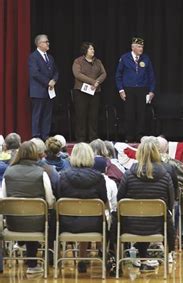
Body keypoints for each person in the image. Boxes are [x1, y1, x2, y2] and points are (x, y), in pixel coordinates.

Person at [117, 139, 175, 272]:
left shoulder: (128, 174)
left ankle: (141, 258)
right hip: (157, 226)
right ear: (156, 153)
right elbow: (171, 204)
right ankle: (147, 258)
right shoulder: (165, 176)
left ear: (139, 153)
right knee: (150, 218)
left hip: (131, 226)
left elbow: (120, 200)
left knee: (138, 218)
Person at [1, 141, 55, 274]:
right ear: (35, 154)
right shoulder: (41, 173)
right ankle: (33, 264)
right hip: (36, 224)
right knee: (38, 218)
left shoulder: (8, 172)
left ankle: (20, 245)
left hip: (13, 223)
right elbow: (50, 201)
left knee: (26, 217)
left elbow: (2, 199)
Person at [57, 143, 108, 273]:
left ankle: (67, 259)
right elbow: (104, 203)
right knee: (101, 218)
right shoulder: (99, 178)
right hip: (94, 225)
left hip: (67, 224)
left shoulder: (62, 176)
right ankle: (107, 255)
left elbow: (58, 201)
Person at [156, 136, 183, 249]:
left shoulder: (139, 166)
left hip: (143, 205)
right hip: (171, 203)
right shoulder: (176, 165)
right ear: (167, 149)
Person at [115, 37, 156, 142]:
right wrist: (121, 90)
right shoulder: (125, 58)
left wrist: (151, 90)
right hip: (129, 89)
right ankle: (129, 136)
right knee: (129, 113)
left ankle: (140, 136)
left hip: (142, 89)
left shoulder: (146, 58)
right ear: (132, 47)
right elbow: (118, 75)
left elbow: (151, 76)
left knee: (141, 114)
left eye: (142, 46)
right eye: (138, 46)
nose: (141, 48)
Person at [72, 42, 107, 142]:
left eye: (93, 49)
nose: (93, 51)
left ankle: (93, 138)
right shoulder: (78, 61)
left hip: (95, 92)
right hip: (81, 92)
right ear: (85, 50)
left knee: (93, 115)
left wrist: (98, 82)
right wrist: (92, 81)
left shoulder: (98, 61)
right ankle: (81, 139)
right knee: (81, 115)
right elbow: (77, 74)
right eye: (91, 49)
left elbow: (104, 73)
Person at [28, 34, 59, 140]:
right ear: (39, 43)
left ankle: (45, 136)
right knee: (37, 114)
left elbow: (56, 71)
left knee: (47, 115)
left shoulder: (50, 57)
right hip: (38, 91)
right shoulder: (33, 57)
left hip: (50, 91)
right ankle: (36, 136)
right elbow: (35, 73)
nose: (48, 43)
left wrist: (54, 80)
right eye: (46, 42)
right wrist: (48, 82)